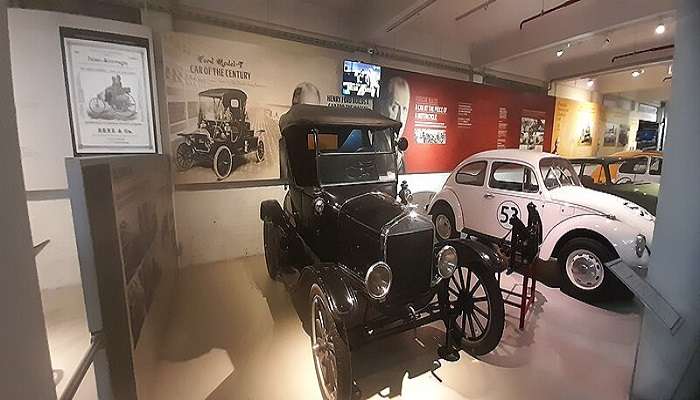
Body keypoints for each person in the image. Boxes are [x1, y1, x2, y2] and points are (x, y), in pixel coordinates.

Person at [376, 76, 411, 173]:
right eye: (395, 107)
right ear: (382, 105)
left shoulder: (398, 148)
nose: (400, 119)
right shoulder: (372, 140)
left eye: (404, 109)